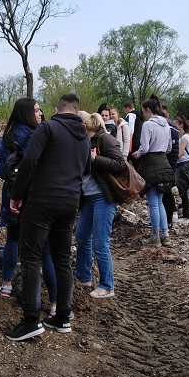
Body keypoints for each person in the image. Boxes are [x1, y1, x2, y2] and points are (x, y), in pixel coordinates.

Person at [5, 94, 90, 340]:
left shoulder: (48, 127)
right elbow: (86, 169)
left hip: (43, 200)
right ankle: (62, 316)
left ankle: (31, 319)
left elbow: (30, 160)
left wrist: (17, 194)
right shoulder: (84, 136)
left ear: (57, 109)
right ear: (77, 111)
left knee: (31, 256)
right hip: (70, 203)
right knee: (62, 259)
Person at [0, 98, 57, 304]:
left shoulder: (10, 135)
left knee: (12, 238)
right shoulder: (39, 134)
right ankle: (52, 299)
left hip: (11, 191)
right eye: (36, 110)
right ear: (27, 113)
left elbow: (2, 153)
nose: (40, 113)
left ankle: (7, 284)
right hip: (35, 193)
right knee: (44, 247)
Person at [74, 112, 125, 298]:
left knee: (100, 242)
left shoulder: (105, 139)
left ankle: (107, 285)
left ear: (83, 126)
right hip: (89, 197)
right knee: (81, 236)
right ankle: (83, 277)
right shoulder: (84, 142)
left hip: (104, 196)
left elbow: (120, 164)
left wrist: (96, 159)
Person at [131, 97, 175, 246]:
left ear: (148, 110)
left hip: (150, 165)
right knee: (160, 201)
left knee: (153, 204)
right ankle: (165, 235)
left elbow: (144, 148)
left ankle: (155, 237)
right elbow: (169, 148)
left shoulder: (148, 125)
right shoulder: (166, 124)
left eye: (143, 111)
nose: (143, 114)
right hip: (164, 163)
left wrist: (137, 153)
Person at [173, 116, 189, 225]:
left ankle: (186, 216)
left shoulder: (185, 137)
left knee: (183, 189)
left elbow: (179, 153)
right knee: (182, 190)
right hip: (180, 164)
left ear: (181, 125)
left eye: (175, 124)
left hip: (183, 165)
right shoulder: (181, 137)